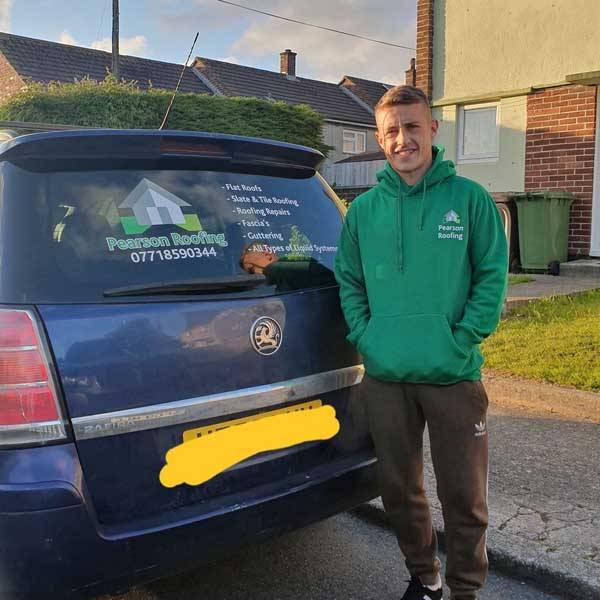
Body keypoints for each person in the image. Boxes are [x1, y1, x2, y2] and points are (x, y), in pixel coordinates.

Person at [334, 85, 508, 600]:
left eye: (412, 127)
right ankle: (425, 578)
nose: (402, 139)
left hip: (452, 374)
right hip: (386, 377)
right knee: (398, 491)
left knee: (464, 497)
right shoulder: (363, 212)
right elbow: (350, 282)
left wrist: (463, 338)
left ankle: (464, 589)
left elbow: (491, 276)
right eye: (391, 130)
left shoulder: (469, 199)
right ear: (379, 138)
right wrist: (367, 337)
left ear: (432, 129)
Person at [239, 243, 335, 291]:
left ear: (268, 255)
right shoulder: (288, 274)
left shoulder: (284, 270)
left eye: (251, 270)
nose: (253, 275)